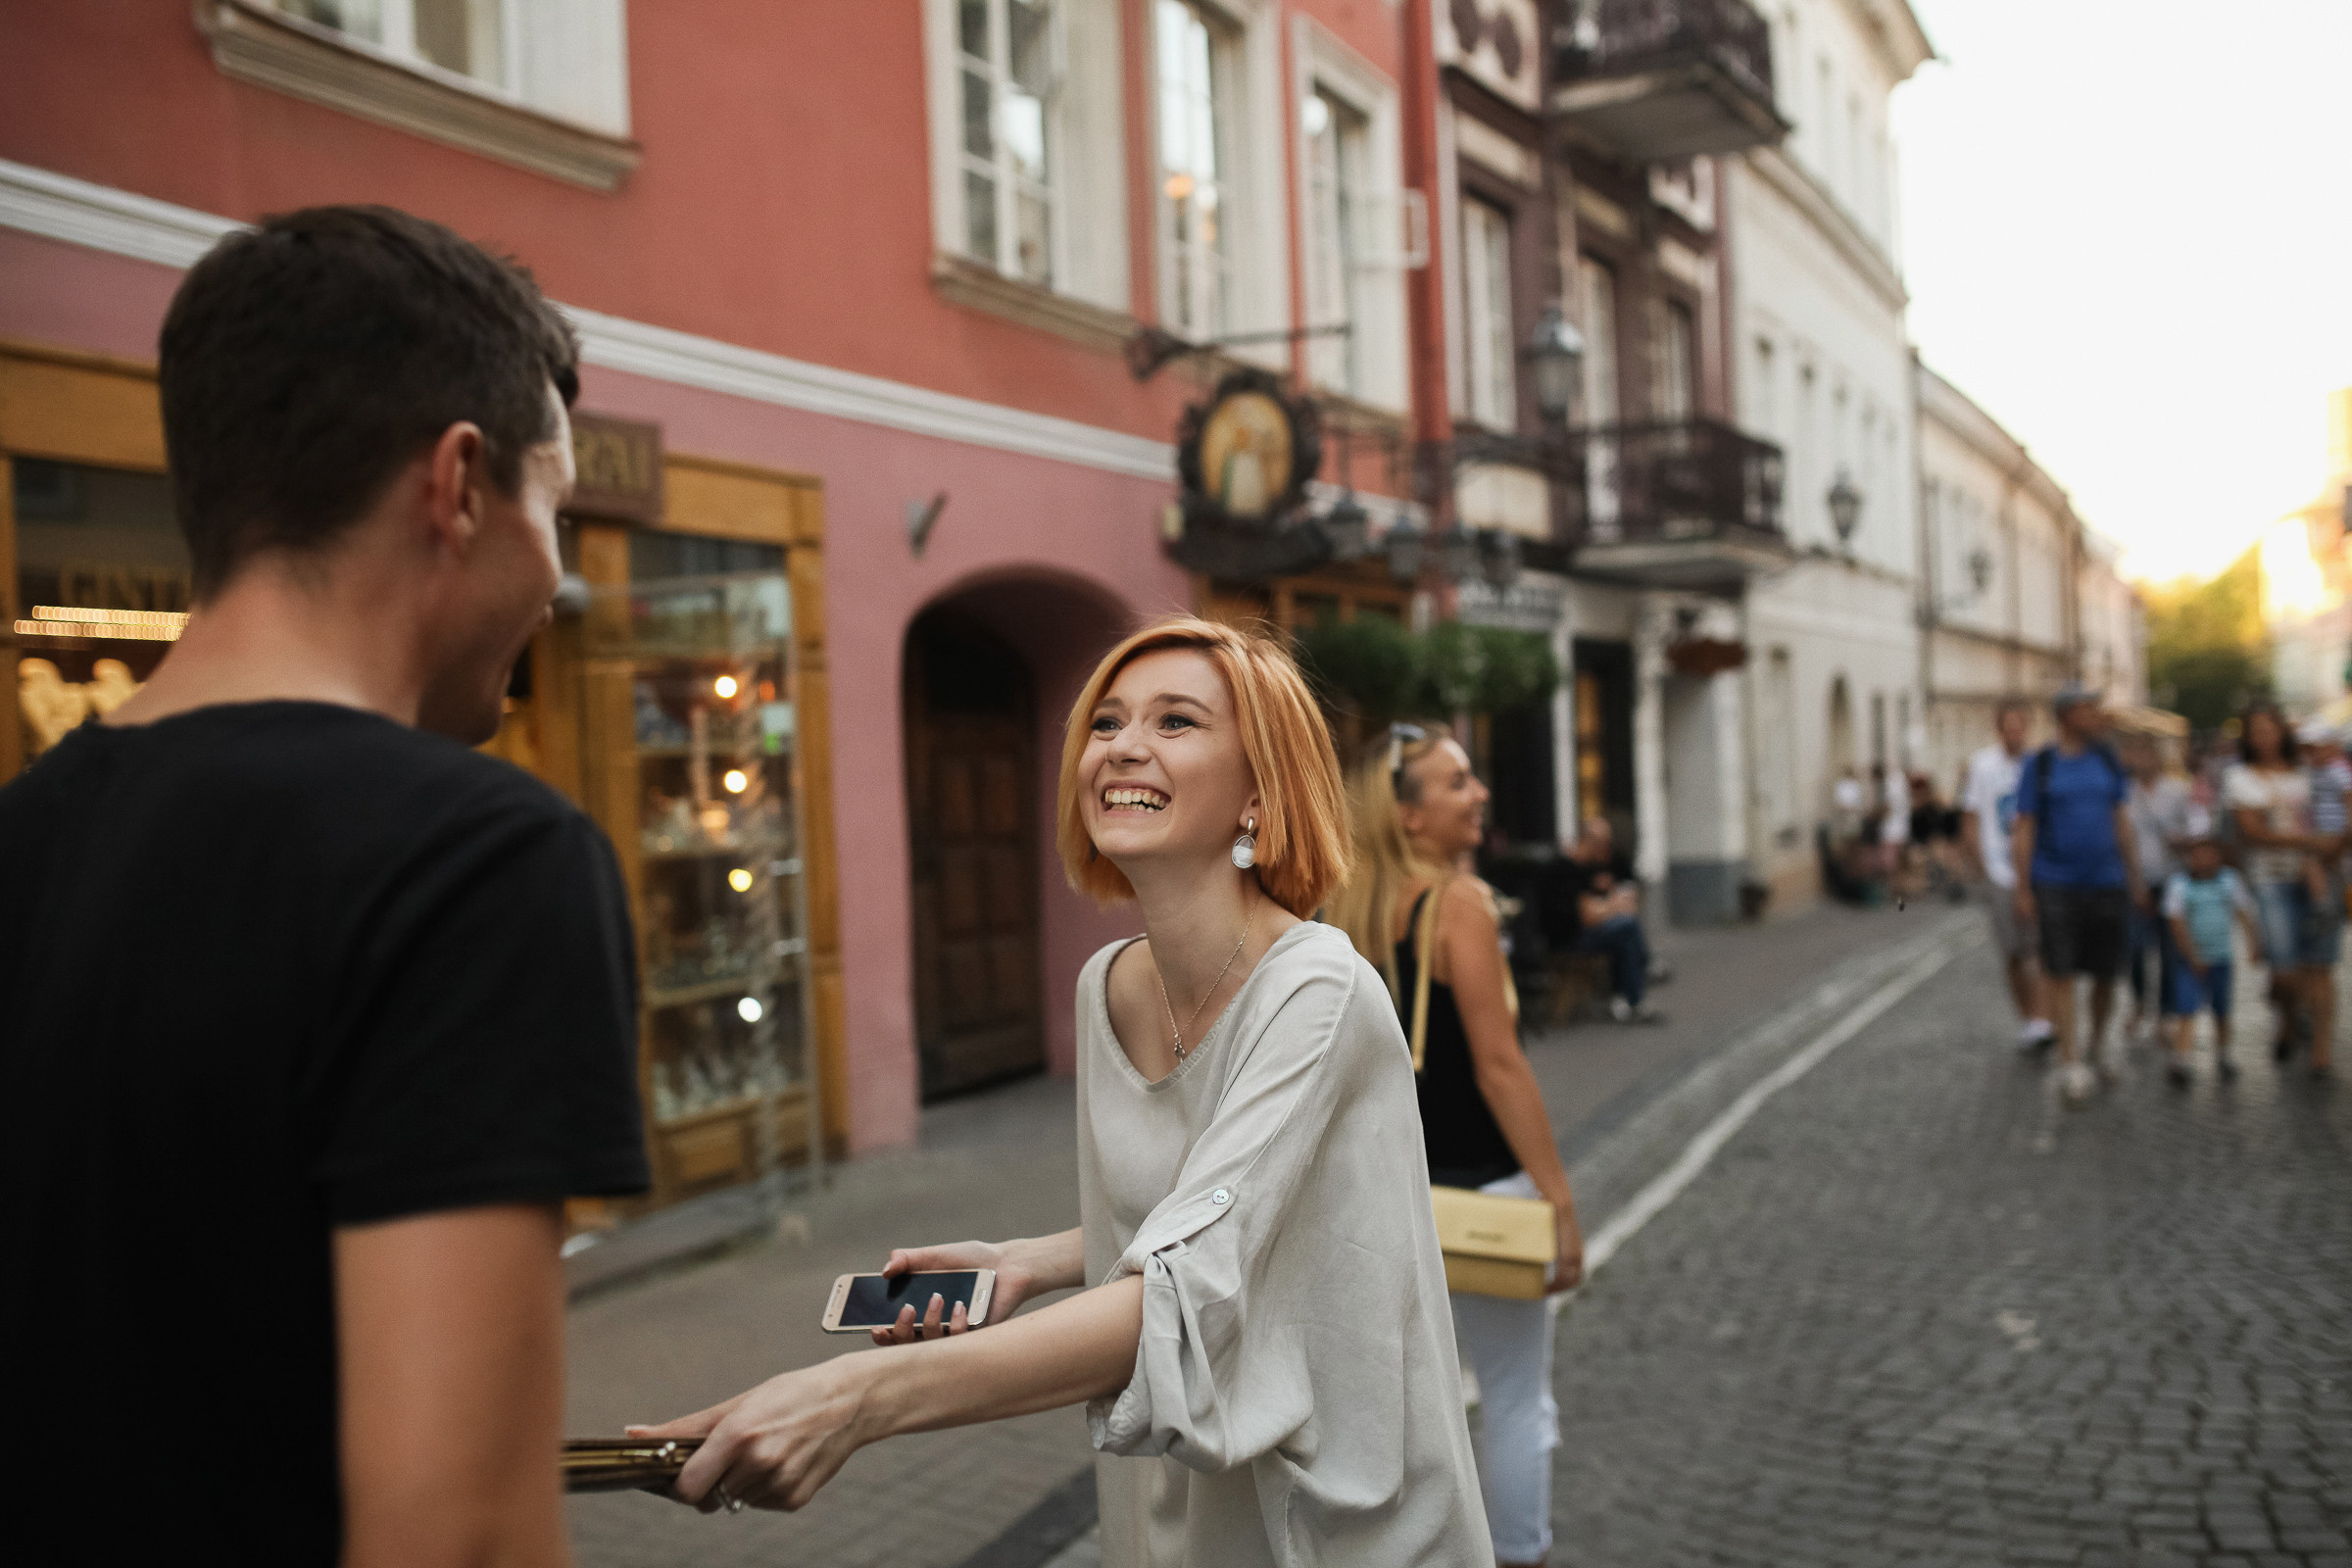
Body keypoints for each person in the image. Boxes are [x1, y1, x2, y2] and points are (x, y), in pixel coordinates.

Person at [0, 207, 651, 1564]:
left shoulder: (26, 837)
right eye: (556, 508)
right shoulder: (478, 859)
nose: (557, 577)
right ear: (459, 485)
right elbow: (460, 1534)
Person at [633, 619, 1493, 1566]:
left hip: (1337, 1516)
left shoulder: (1319, 990)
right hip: (1175, 1514)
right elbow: (1212, 1211)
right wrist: (1022, 1262)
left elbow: (1192, 1282)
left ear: (1260, 791)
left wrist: (852, 1400)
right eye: (1107, 721)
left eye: (1176, 723)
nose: (1123, 745)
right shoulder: (1106, 987)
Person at [1329, 723, 1585, 1568]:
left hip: (1384, 1203)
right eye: (1457, 782)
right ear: (1408, 816)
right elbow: (1501, 1068)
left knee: (1394, 1413)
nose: (1479, 794)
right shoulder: (1458, 905)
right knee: (1515, 1399)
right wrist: (1560, 1200)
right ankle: (1520, 1554)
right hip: (1484, 1195)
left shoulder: (1346, 914)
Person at [2011, 687, 2147, 1105]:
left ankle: (2097, 1041)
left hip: (2107, 882)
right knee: (2062, 973)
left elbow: (2121, 820)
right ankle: (2070, 1061)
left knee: (2106, 974)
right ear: (2068, 715)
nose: (2097, 716)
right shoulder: (2042, 765)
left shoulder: (2107, 759)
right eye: (2089, 710)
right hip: (2056, 883)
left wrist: (2135, 876)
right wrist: (2022, 887)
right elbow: (2025, 827)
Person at [2224, 706, 2335, 1076]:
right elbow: (2250, 832)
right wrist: (2306, 841)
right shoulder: (2239, 777)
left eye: (2270, 729)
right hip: (2269, 878)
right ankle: (2287, 1015)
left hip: (2313, 874)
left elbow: (2331, 816)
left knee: (2317, 964)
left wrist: (2323, 846)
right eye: (2257, 730)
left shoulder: (2306, 773)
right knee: (2285, 970)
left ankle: (2317, 1046)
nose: (2265, 737)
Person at [1960, 699, 2052, 1054]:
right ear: (1999, 730)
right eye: (2008, 727)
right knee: (2013, 952)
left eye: (2020, 726)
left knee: (2040, 948)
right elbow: (1970, 815)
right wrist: (1979, 862)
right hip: (1999, 870)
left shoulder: (2039, 764)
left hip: (2036, 869)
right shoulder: (1982, 766)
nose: (2014, 733)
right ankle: (2028, 1016)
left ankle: (2044, 1020)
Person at [2161, 831, 2262, 1086]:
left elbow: (2243, 911)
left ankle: (2224, 1054)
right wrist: (2192, 955)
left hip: (2220, 957)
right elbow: (2177, 924)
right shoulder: (2180, 885)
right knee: (2186, 1008)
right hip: (2189, 960)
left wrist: (2253, 943)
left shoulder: (2229, 880)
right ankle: (2182, 1058)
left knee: (2222, 1009)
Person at [1544, 817, 1664, 1023]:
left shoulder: (1589, 866)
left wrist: (1608, 906)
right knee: (1627, 927)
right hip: (1567, 940)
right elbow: (1588, 915)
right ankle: (1634, 992)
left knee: (1624, 931)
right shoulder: (1568, 869)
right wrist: (1613, 905)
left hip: (1578, 933)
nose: (1606, 850)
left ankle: (1625, 995)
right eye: (1603, 844)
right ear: (1591, 842)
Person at [2123, 734, 2195, 1043]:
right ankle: (2139, 1003)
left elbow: (2193, 831)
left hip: (2170, 877)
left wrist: (2180, 840)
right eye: (2137, 752)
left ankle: (2166, 1012)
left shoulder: (2177, 791)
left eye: (2147, 752)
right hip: (2135, 879)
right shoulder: (2125, 794)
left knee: (2170, 950)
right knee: (2135, 949)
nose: (2143, 759)